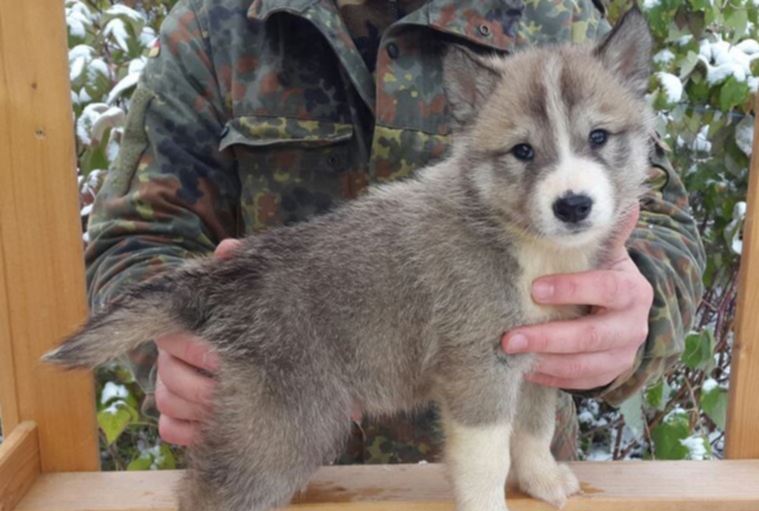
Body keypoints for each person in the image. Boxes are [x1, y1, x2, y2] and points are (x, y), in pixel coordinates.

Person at [86, 0, 705, 464]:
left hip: (508, 508)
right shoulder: (218, 27)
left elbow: (665, 221)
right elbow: (134, 241)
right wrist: (176, 351)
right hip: (290, 491)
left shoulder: (554, 17)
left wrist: (632, 315)